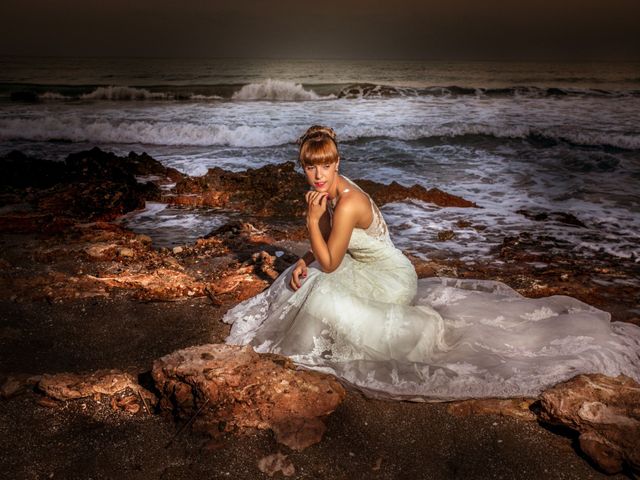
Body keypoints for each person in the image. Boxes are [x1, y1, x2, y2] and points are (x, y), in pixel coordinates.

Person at [223, 125, 640, 401]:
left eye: (326, 165)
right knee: (307, 276)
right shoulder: (326, 194)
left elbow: (333, 258)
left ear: (338, 164)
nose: (318, 175)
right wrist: (307, 255)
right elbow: (332, 248)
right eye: (310, 167)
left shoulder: (347, 200)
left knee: (321, 285)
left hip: (392, 278)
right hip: (357, 264)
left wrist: (310, 225)